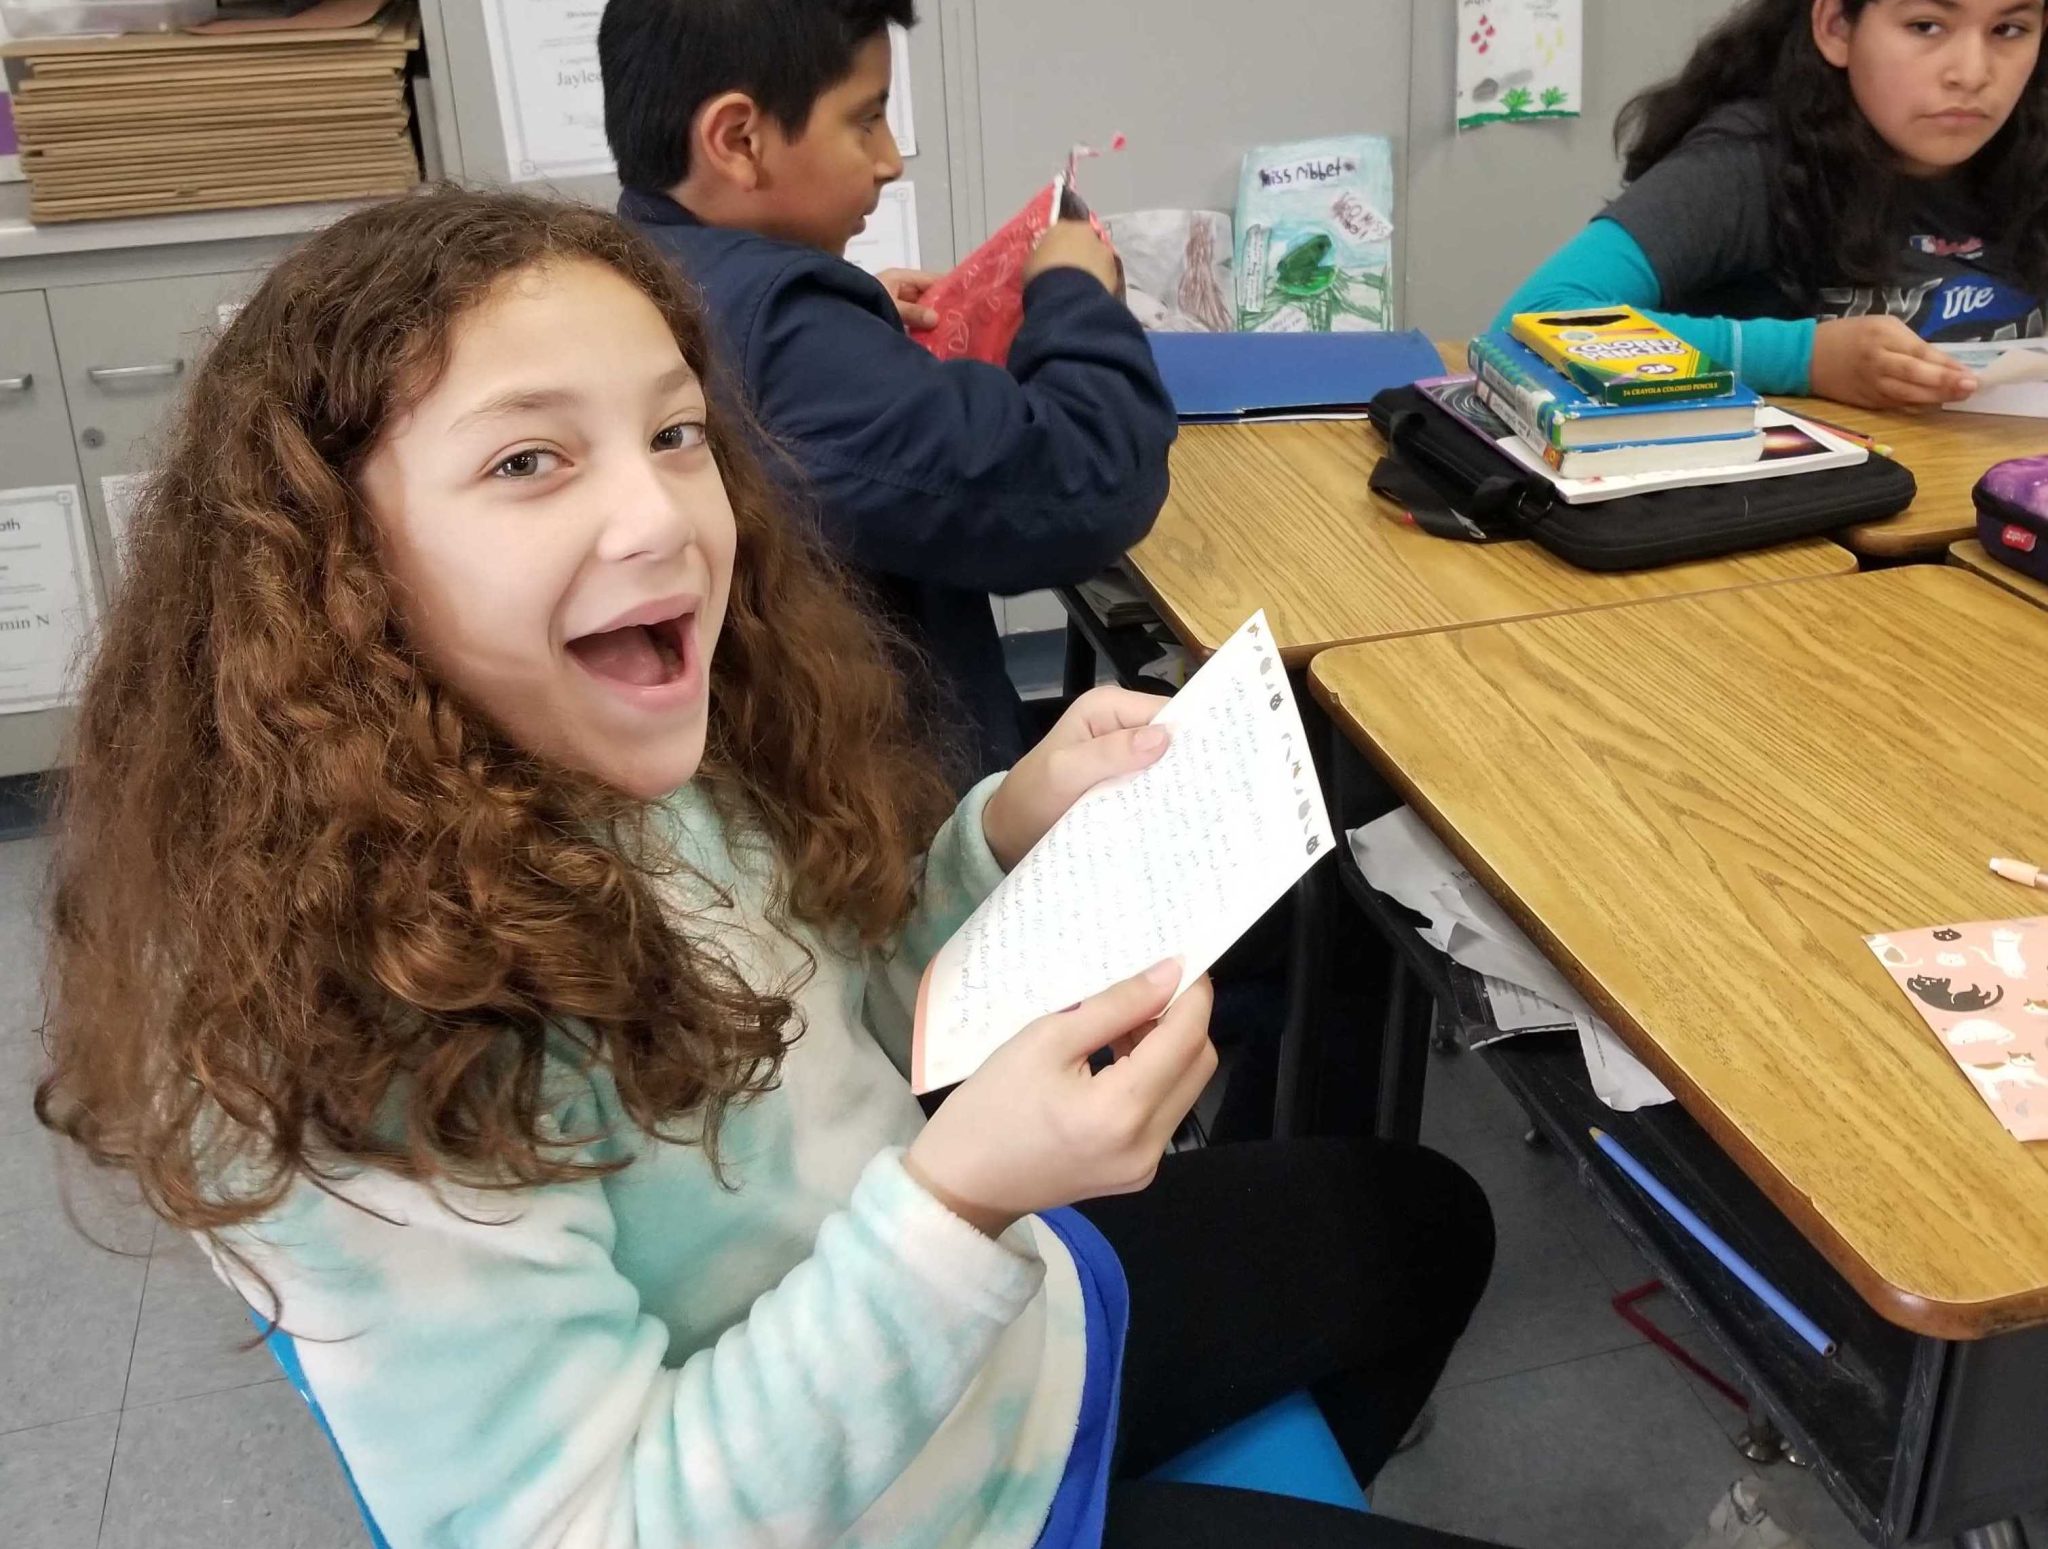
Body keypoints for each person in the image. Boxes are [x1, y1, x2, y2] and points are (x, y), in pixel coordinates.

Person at [35, 188, 1503, 1549]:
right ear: (334, 560)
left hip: (980, 1341)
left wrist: (1000, 835)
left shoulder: (648, 762)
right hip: (868, 1462)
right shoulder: (345, 1039)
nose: (662, 516)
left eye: (676, 434)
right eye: (528, 460)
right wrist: (958, 1201)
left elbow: (833, 1022)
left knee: (1422, 1221)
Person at [599, 0, 1177, 782]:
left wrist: (854, 327)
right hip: (907, 804)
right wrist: (1073, 290)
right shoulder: (789, 339)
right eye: (865, 120)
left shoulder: (635, 270)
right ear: (737, 140)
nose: (890, 161)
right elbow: (1089, 480)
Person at [1497, 0, 2048, 408]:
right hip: (1800, 516)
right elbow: (1531, 323)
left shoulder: (2032, 153)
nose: (1972, 74)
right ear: (1836, 27)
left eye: (2009, 29)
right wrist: (1805, 360)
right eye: (1926, 26)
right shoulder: (1747, 164)